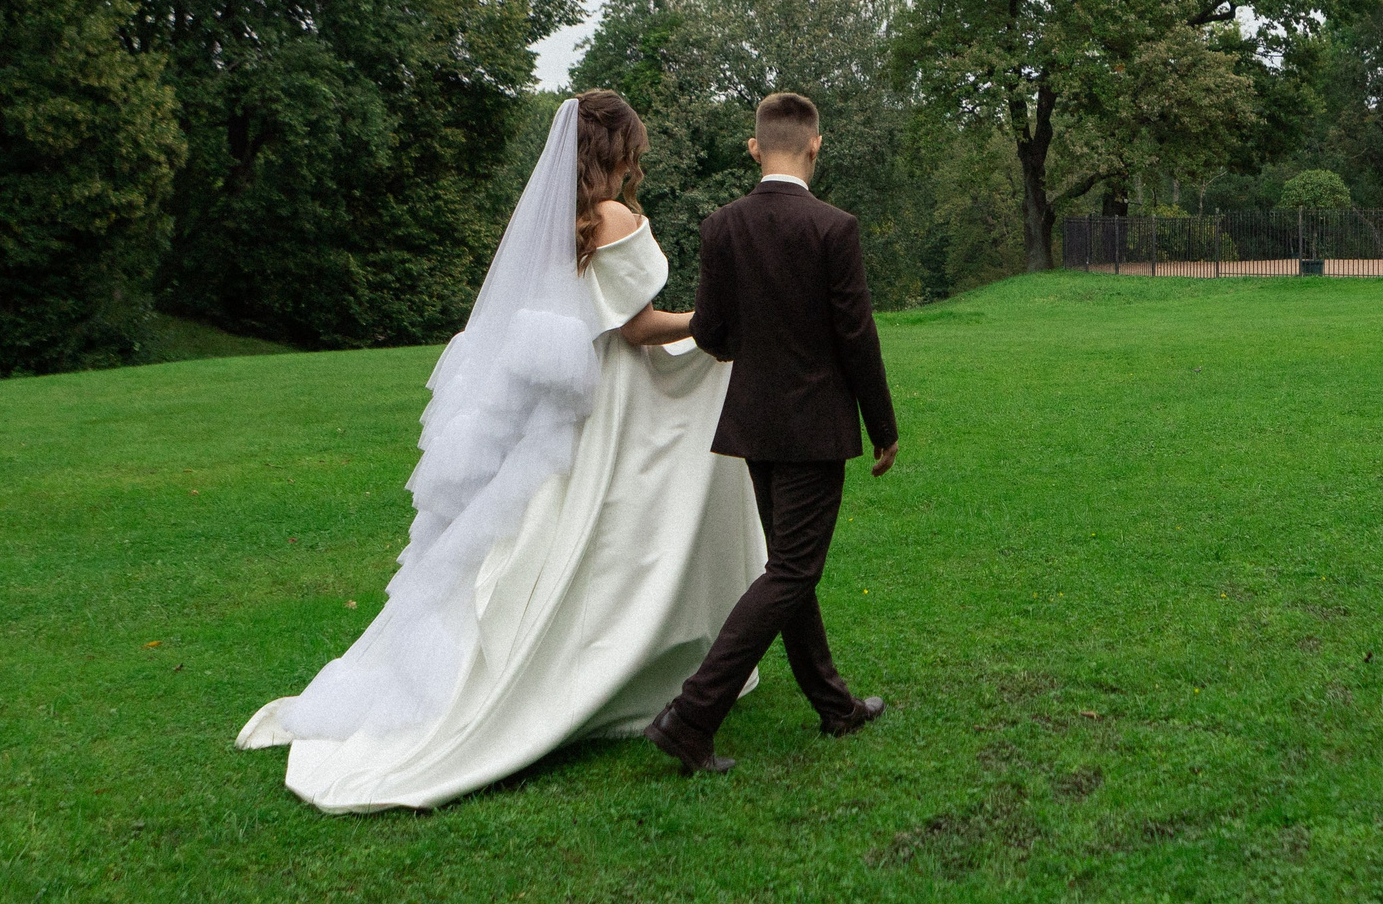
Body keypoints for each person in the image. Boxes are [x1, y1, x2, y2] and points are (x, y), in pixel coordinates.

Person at [237, 92, 769, 812]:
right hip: (613, 394)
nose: (636, 166)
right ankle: (627, 666)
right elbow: (639, 327)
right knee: (619, 527)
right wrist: (713, 323)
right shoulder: (613, 217)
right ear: (616, 153)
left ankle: (626, 661)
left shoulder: (562, 222)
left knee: (569, 530)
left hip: (581, 396)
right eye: (634, 153)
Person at [643, 91, 898, 777]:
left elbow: (711, 333)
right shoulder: (833, 228)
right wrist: (884, 427)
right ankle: (692, 716)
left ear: (756, 148)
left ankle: (834, 706)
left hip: (755, 425)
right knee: (792, 570)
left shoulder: (721, 225)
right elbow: (856, 336)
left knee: (790, 568)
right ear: (816, 145)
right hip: (815, 428)